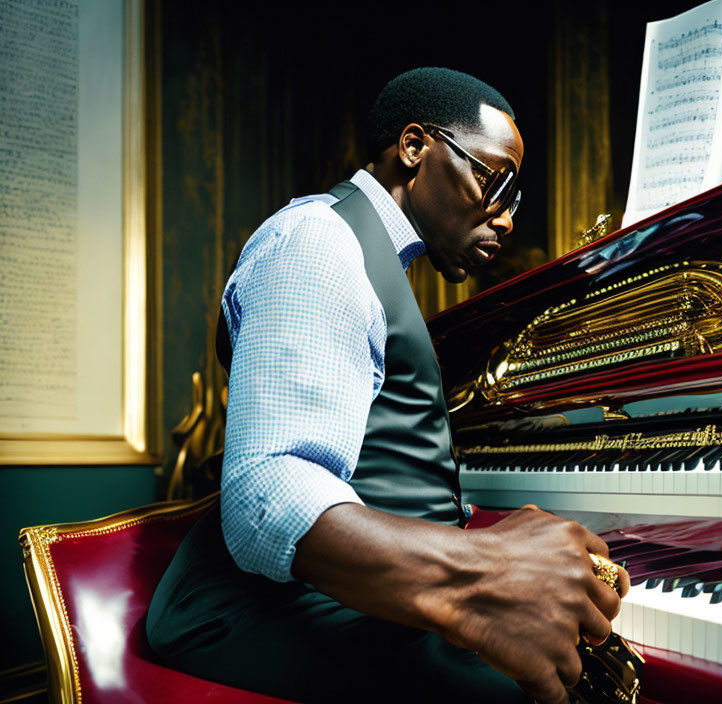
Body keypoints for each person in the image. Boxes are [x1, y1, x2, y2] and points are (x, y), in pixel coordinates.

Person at [147, 67, 629, 704]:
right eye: (495, 182)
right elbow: (267, 495)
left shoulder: (370, 260)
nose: (508, 220)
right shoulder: (316, 241)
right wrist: (491, 569)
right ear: (413, 148)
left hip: (358, 595)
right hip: (262, 609)